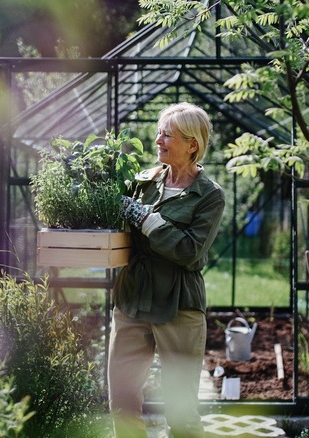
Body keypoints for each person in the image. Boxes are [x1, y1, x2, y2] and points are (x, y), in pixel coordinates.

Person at [108, 102, 225, 437]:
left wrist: (148, 220)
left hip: (178, 306)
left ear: (192, 144)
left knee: (181, 409)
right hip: (132, 301)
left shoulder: (209, 195)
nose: (158, 140)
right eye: (159, 132)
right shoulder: (143, 183)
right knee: (122, 400)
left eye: (167, 135)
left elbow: (190, 251)